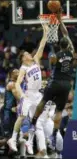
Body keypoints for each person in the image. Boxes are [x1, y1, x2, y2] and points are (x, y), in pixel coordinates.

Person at [31, 10, 75, 148]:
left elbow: (53, 63)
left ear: (59, 46)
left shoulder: (56, 55)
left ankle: (33, 122)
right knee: (59, 111)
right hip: (66, 84)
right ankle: (55, 133)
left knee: (43, 101)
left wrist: (51, 52)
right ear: (67, 45)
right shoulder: (72, 52)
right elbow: (66, 34)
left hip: (55, 81)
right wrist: (60, 20)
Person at [7, 23, 48, 152]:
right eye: (26, 54)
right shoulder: (23, 68)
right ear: (24, 58)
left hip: (37, 94)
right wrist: (22, 94)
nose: (29, 54)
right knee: (22, 117)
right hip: (28, 95)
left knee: (37, 118)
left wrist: (45, 30)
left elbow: (42, 44)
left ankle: (29, 142)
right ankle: (12, 139)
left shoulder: (36, 60)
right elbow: (18, 83)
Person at [0, 69, 19, 152]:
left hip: (12, 113)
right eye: (16, 71)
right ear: (11, 75)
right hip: (7, 113)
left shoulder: (17, 84)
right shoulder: (11, 84)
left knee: (13, 139)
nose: (19, 72)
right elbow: (19, 97)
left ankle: (10, 154)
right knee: (8, 139)